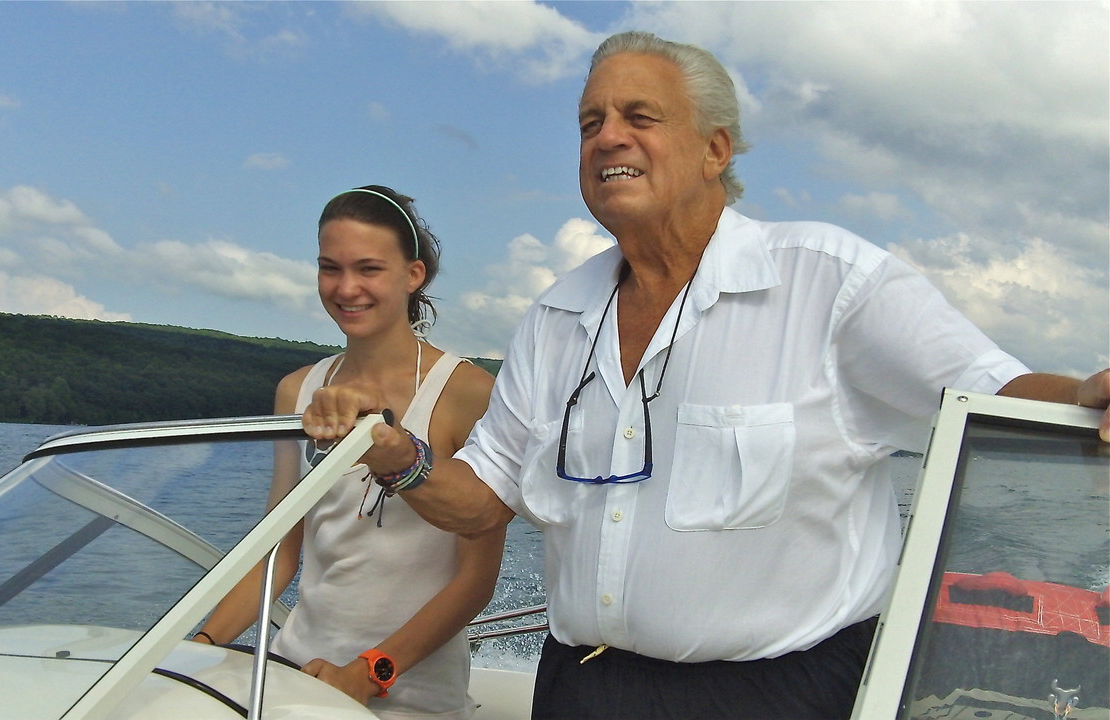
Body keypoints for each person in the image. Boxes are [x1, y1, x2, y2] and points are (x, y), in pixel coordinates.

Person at [301, 32, 1110, 720]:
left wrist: (1083, 398)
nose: (606, 137)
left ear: (715, 148)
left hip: (776, 693)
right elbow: (481, 501)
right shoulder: (555, 319)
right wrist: (394, 454)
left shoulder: (832, 284)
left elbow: (992, 396)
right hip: (580, 687)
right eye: (590, 123)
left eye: (638, 117)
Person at [194, 185, 502, 719]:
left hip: (414, 698)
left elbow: (475, 580)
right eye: (329, 268)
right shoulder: (297, 390)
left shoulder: (467, 392)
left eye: (368, 269)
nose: (346, 287)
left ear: (413, 275)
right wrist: (199, 645)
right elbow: (277, 552)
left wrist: (369, 672)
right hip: (296, 678)